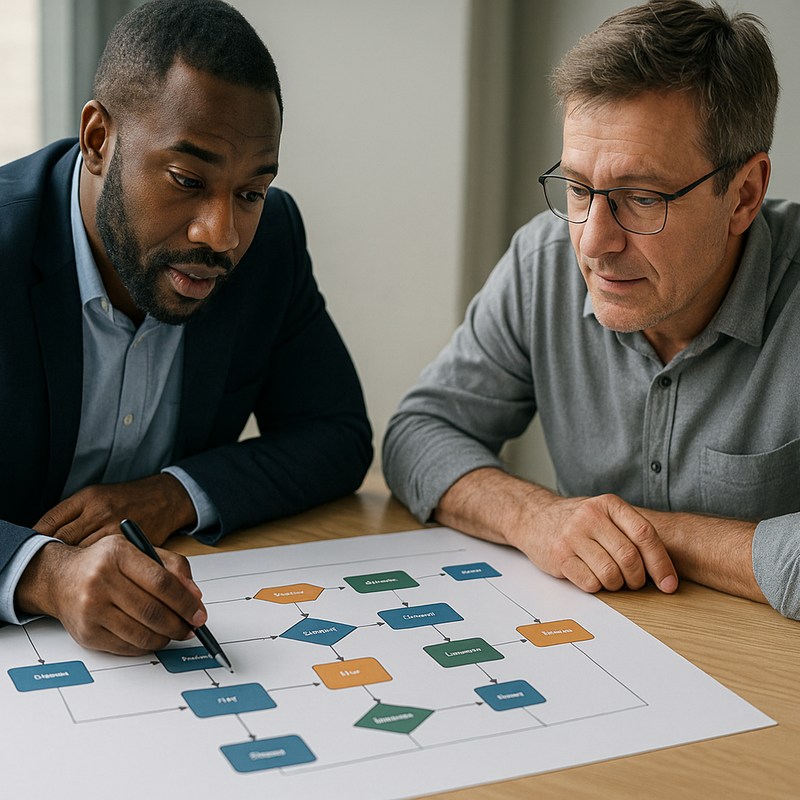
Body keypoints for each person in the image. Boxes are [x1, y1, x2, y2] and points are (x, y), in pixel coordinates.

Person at [383, 0, 800, 619]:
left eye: (639, 197)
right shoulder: (542, 260)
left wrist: (654, 533)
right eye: (578, 188)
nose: (591, 241)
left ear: (743, 195)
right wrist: (538, 517)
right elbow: (418, 435)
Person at [0, 0, 372, 655]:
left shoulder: (271, 243)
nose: (221, 234)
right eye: (186, 179)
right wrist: (45, 573)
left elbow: (336, 436)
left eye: (251, 191)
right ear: (97, 141)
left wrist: (173, 494)